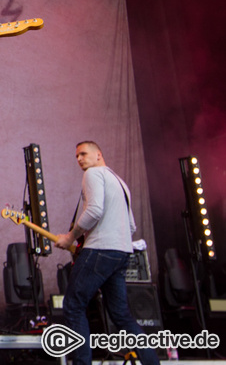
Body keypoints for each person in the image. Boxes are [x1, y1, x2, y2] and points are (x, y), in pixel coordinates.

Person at [54, 141, 160, 365]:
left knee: (73, 305)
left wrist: (71, 237)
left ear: (98, 155)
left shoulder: (93, 174)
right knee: (121, 315)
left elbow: (94, 210)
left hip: (101, 250)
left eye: (83, 154)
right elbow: (131, 226)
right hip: (122, 253)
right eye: (76, 156)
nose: (79, 159)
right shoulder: (120, 182)